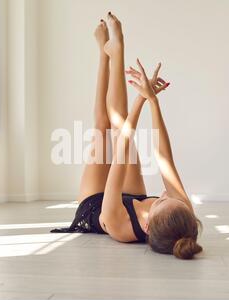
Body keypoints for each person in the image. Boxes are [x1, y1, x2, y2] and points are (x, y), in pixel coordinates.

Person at [52, 13, 203, 260]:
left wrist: (140, 100)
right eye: (172, 198)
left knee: (104, 127)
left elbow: (119, 154)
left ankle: (106, 54)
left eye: (160, 202)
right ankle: (114, 49)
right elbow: (164, 158)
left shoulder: (120, 226)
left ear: (146, 227)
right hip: (133, 198)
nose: (165, 194)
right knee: (122, 128)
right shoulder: (182, 217)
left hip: (98, 205)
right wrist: (153, 101)